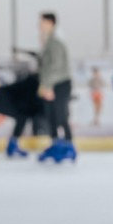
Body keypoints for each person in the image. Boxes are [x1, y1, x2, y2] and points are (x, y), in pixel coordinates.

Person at [36, 11, 75, 163]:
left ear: (50, 22)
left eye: (42, 22)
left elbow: (55, 66)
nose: (39, 26)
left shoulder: (56, 41)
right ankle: (56, 144)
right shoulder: (49, 41)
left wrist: (47, 85)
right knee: (50, 115)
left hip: (59, 83)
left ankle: (68, 146)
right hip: (53, 84)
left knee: (60, 115)